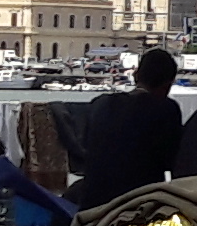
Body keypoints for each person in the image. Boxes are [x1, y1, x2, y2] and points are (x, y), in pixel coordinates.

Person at [68, 49, 186, 210]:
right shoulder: (166, 109)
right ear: (167, 85)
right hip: (136, 207)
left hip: (92, 207)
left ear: (136, 75)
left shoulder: (100, 104)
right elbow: (173, 162)